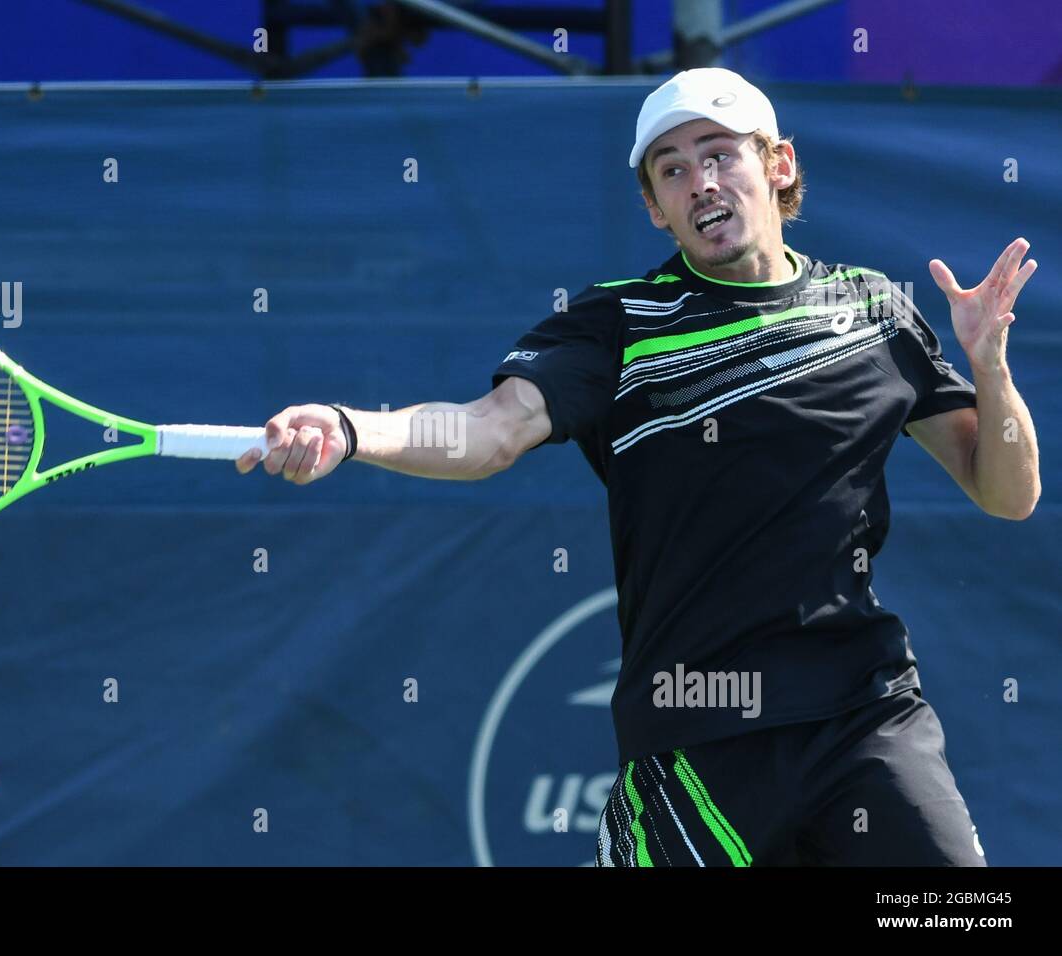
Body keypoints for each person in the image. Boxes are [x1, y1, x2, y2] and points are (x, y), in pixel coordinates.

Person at [235, 68, 1040, 865]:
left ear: (779, 165)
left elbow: (1008, 492)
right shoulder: (619, 321)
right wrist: (351, 428)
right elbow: (490, 431)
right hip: (694, 733)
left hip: (865, 717)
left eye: (720, 154)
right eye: (673, 169)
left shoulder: (873, 311)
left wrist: (991, 368)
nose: (702, 182)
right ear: (656, 208)